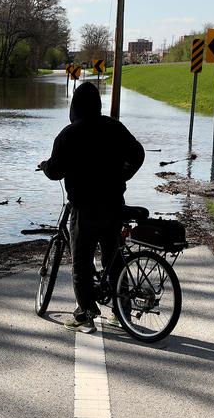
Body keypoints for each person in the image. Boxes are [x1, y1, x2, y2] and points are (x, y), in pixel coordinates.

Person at [38, 82, 144, 333]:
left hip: (85, 209)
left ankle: (85, 313)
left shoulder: (69, 134)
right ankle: (121, 313)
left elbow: (55, 170)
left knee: (81, 261)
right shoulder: (114, 127)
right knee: (113, 257)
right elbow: (138, 153)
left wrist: (44, 166)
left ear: (75, 106)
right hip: (114, 205)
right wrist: (124, 175)